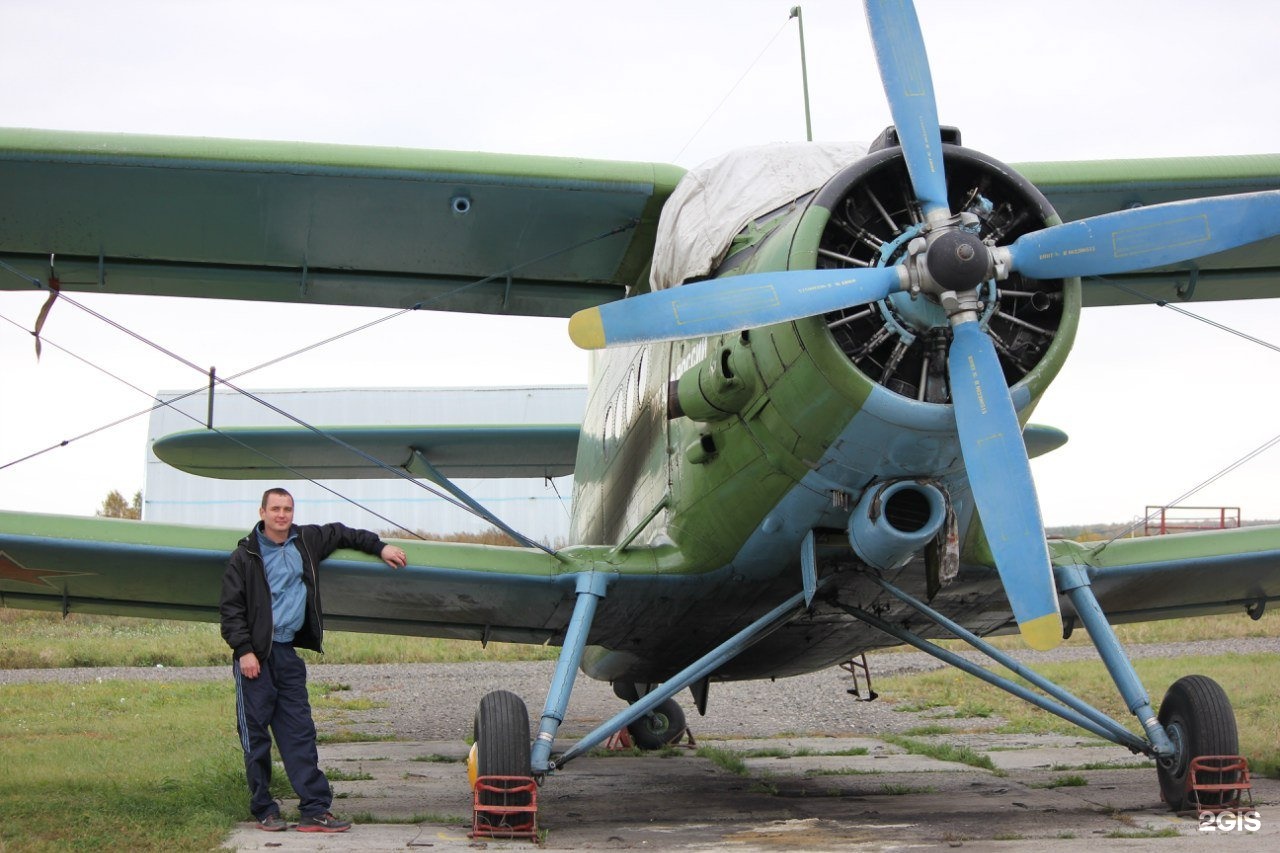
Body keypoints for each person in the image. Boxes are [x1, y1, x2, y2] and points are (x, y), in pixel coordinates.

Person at [219, 487, 408, 832]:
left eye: (287, 508)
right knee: (256, 736)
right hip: (255, 659)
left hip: (288, 655)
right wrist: (244, 650)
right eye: (275, 508)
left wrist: (380, 547)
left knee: (299, 733)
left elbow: (344, 532)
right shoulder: (244, 556)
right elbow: (231, 611)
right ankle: (264, 808)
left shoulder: (307, 540)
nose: (281, 515)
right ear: (262, 512)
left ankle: (314, 810)